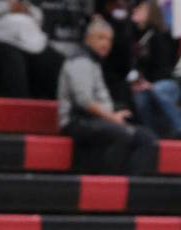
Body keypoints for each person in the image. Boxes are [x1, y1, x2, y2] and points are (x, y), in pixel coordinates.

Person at [57, 16, 157, 176]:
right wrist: (112, 117)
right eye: (100, 38)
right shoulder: (80, 61)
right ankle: (107, 184)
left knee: (146, 137)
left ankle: (130, 185)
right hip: (77, 121)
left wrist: (114, 116)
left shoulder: (93, 61)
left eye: (109, 40)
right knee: (123, 134)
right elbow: (84, 102)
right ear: (88, 39)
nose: (106, 44)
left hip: (95, 120)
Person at [129, 0, 181, 139]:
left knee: (157, 90)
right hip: (145, 84)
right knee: (140, 97)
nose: (135, 11)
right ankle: (151, 134)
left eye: (140, 9)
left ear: (151, 13)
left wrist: (149, 84)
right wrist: (140, 82)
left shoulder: (161, 36)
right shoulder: (132, 36)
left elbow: (165, 68)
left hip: (167, 83)